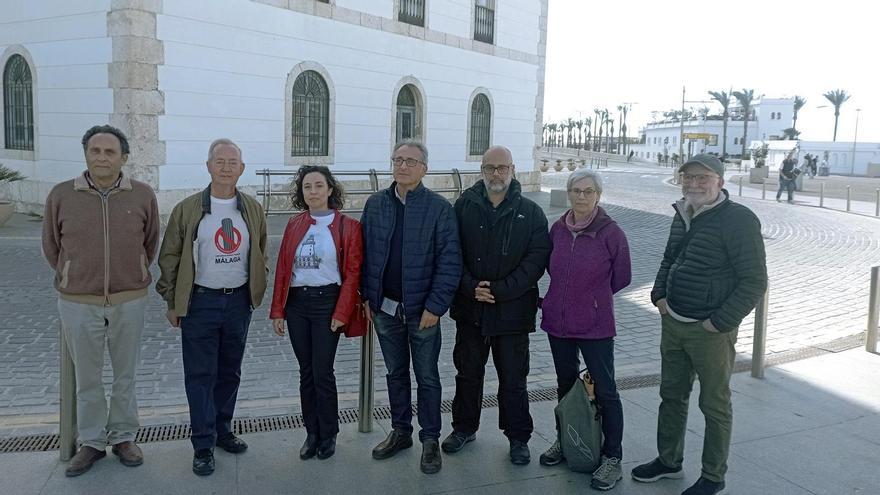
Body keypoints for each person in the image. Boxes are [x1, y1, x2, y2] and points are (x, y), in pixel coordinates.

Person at [632, 154, 767, 495]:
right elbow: (668, 257)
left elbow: (754, 280)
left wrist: (719, 322)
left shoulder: (739, 220)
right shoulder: (683, 211)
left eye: (702, 177)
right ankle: (668, 460)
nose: (693, 183)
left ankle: (713, 476)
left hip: (710, 331)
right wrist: (658, 297)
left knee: (714, 404)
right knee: (671, 396)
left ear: (720, 181)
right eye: (688, 177)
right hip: (673, 320)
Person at [42, 125, 159, 477]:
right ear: (86, 155)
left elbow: (150, 243)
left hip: (129, 299)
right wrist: (72, 275)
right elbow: (52, 246)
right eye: (95, 151)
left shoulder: (142, 195)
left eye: (110, 152)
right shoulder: (62, 195)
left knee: (126, 374)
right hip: (78, 302)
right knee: (88, 378)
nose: (102, 158)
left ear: (123, 157)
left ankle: (124, 436)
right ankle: (91, 442)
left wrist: (132, 272)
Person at [156, 138, 268, 476]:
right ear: (208, 166)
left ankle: (222, 429)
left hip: (237, 303)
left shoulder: (251, 208)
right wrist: (172, 300)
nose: (226, 167)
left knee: (229, 371)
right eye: (219, 161)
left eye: (232, 162)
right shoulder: (187, 209)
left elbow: (261, 250)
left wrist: (257, 287)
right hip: (200, 302)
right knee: (200, 375)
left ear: (241, 169)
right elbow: (170, 257)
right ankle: (202, 444)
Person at [443, 146, 550, 465]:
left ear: (513, 170)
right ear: (481, 170)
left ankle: (518, 438)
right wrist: (471, 287)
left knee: (514, 379)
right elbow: (451, 252)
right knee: (468, 374)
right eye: (490, 168)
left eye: (502, 168)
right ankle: (463, 428)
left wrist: (502, 291)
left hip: (513, 312)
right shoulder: (463, 206)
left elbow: (536, 260)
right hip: (471, 309)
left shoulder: (531, 212)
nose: (496, 174)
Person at [361, 140, 461, 474]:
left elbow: (450, 262)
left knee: (428, 377)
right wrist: (368, 298)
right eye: (398, 160)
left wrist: (436, 306)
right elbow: (364, 254)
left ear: (424, 168)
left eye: (410, 161)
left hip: (424, 312)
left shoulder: (438, 208)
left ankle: (430, 439)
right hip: (385, 310)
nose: (402, 166)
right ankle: (401, 431)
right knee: (395, 374)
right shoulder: (376, 204)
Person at [539, 169, 631, 491]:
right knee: (566, 387)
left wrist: (592, 301)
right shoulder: (558, 230)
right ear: (569, 193)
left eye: (588, 191)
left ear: (598, 195)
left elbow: (622, 277)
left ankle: (612, 457)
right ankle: (567, 442)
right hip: (558, 323)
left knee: (605, 390)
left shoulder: (611, 233)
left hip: (595, 325)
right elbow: (550, 268)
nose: (581, 196)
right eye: (576, 190)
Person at [269, 165, 363, 461]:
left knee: (323, 371)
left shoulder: (348, 226)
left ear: (330, 189)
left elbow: (352, 273)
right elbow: (284, 269)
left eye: (319, 186)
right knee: (306, 372)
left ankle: (329, 433)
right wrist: (277, 311)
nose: (313, 192)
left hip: (327, 302)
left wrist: (342, 311)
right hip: (297, 303)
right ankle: (311, 432)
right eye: (307, 187)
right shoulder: (295, 224)